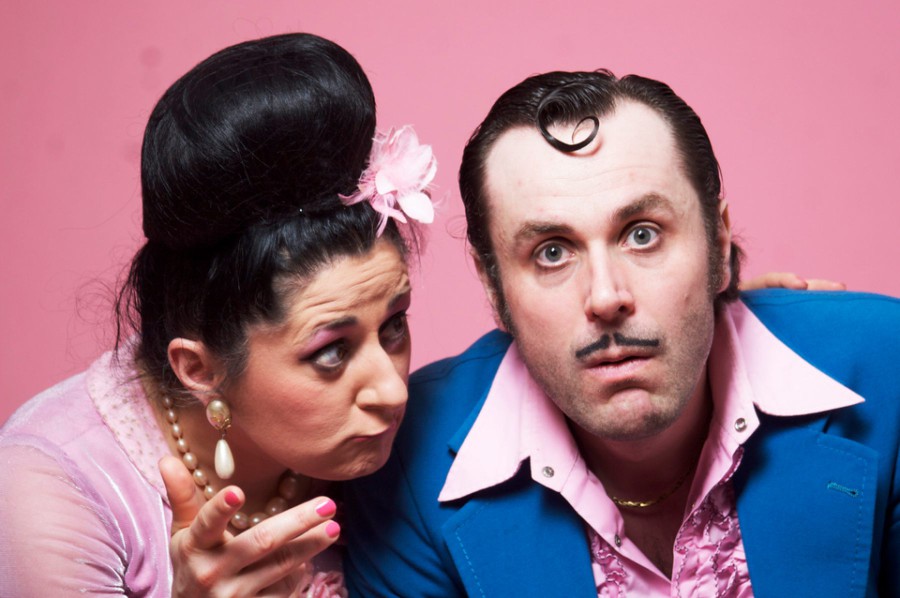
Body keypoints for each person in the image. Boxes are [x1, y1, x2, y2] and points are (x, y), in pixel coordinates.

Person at [342, 70, 900, 596]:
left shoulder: (886, 368)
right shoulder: (407, 466)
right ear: (493, 286)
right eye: (552, 252)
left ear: (718, 243)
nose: (607, 297)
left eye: (642, 234)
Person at [0, 32, 438, 596]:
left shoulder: (417, 443)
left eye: (394, 325)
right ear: (200, 369)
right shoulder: (52, 489)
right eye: (331, 352)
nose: (393, 391)